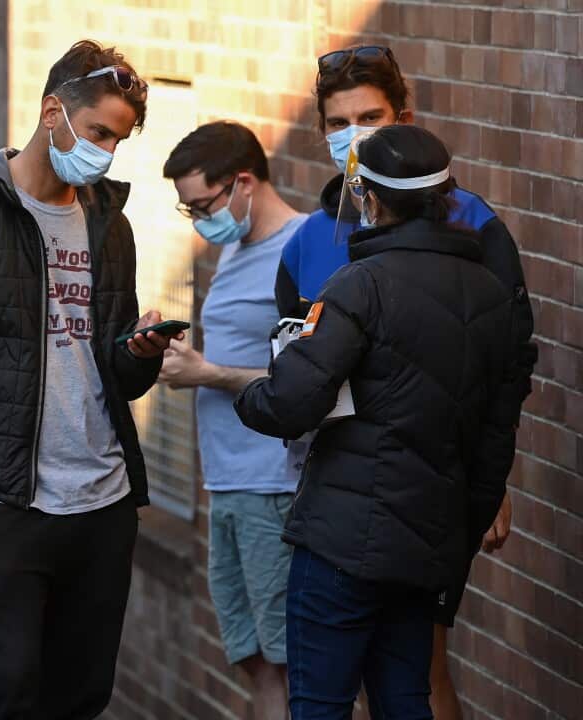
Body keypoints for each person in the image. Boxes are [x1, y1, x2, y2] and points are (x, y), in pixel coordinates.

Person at [0, 40, 175, 719]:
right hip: (2, 503)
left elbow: (114, 375)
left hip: (102, 503)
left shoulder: (109, 225)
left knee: (80, 698)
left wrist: (138, 354)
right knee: (12, 690)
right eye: (98, 132)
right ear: (54, 113)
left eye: (118, 140)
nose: (106, 152)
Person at [274, 45, 535, 718]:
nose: (355, 137)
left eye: (371, 118)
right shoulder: (309, 239)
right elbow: (292, 356)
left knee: (421, 671)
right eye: (340, 123)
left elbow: (504, 360)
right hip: (331, 493)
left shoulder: (471, 222)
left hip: (432, 490)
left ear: (404, 120)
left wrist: (494, 479)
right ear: (322, 132)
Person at [158, 121, 304, 719]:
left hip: (274, 484)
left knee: (294, 663)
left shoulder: (301, 250)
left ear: (243, 183)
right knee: (254, 660)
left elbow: (311, 381)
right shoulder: (236, 248)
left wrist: (209, 373)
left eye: (202, 206)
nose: (198, 221)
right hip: (227, 484)